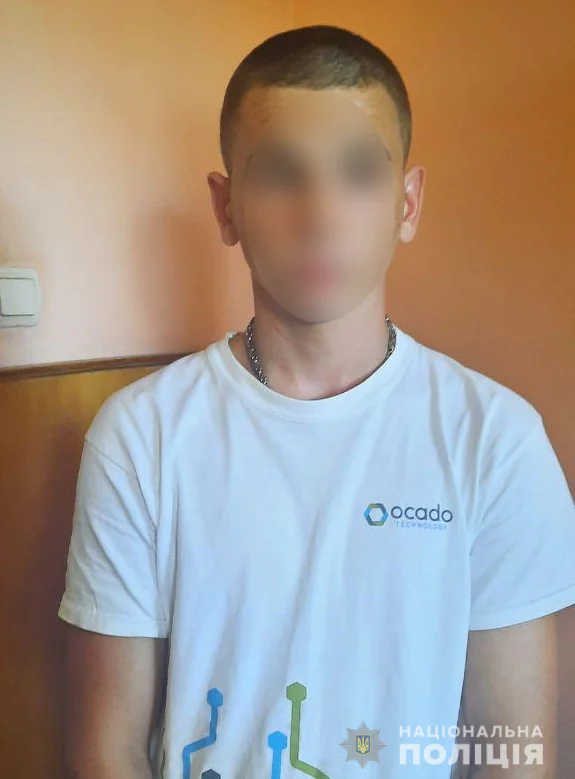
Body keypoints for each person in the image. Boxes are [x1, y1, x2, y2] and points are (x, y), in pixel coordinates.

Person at [59, 24, 575, 779]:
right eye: (279, 174)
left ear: (406, 203)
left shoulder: (496, 441)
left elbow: (510, 752)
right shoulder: (141, 435)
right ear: (227, 207)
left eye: (359, 172)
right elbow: (106, 748)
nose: (320, 214)